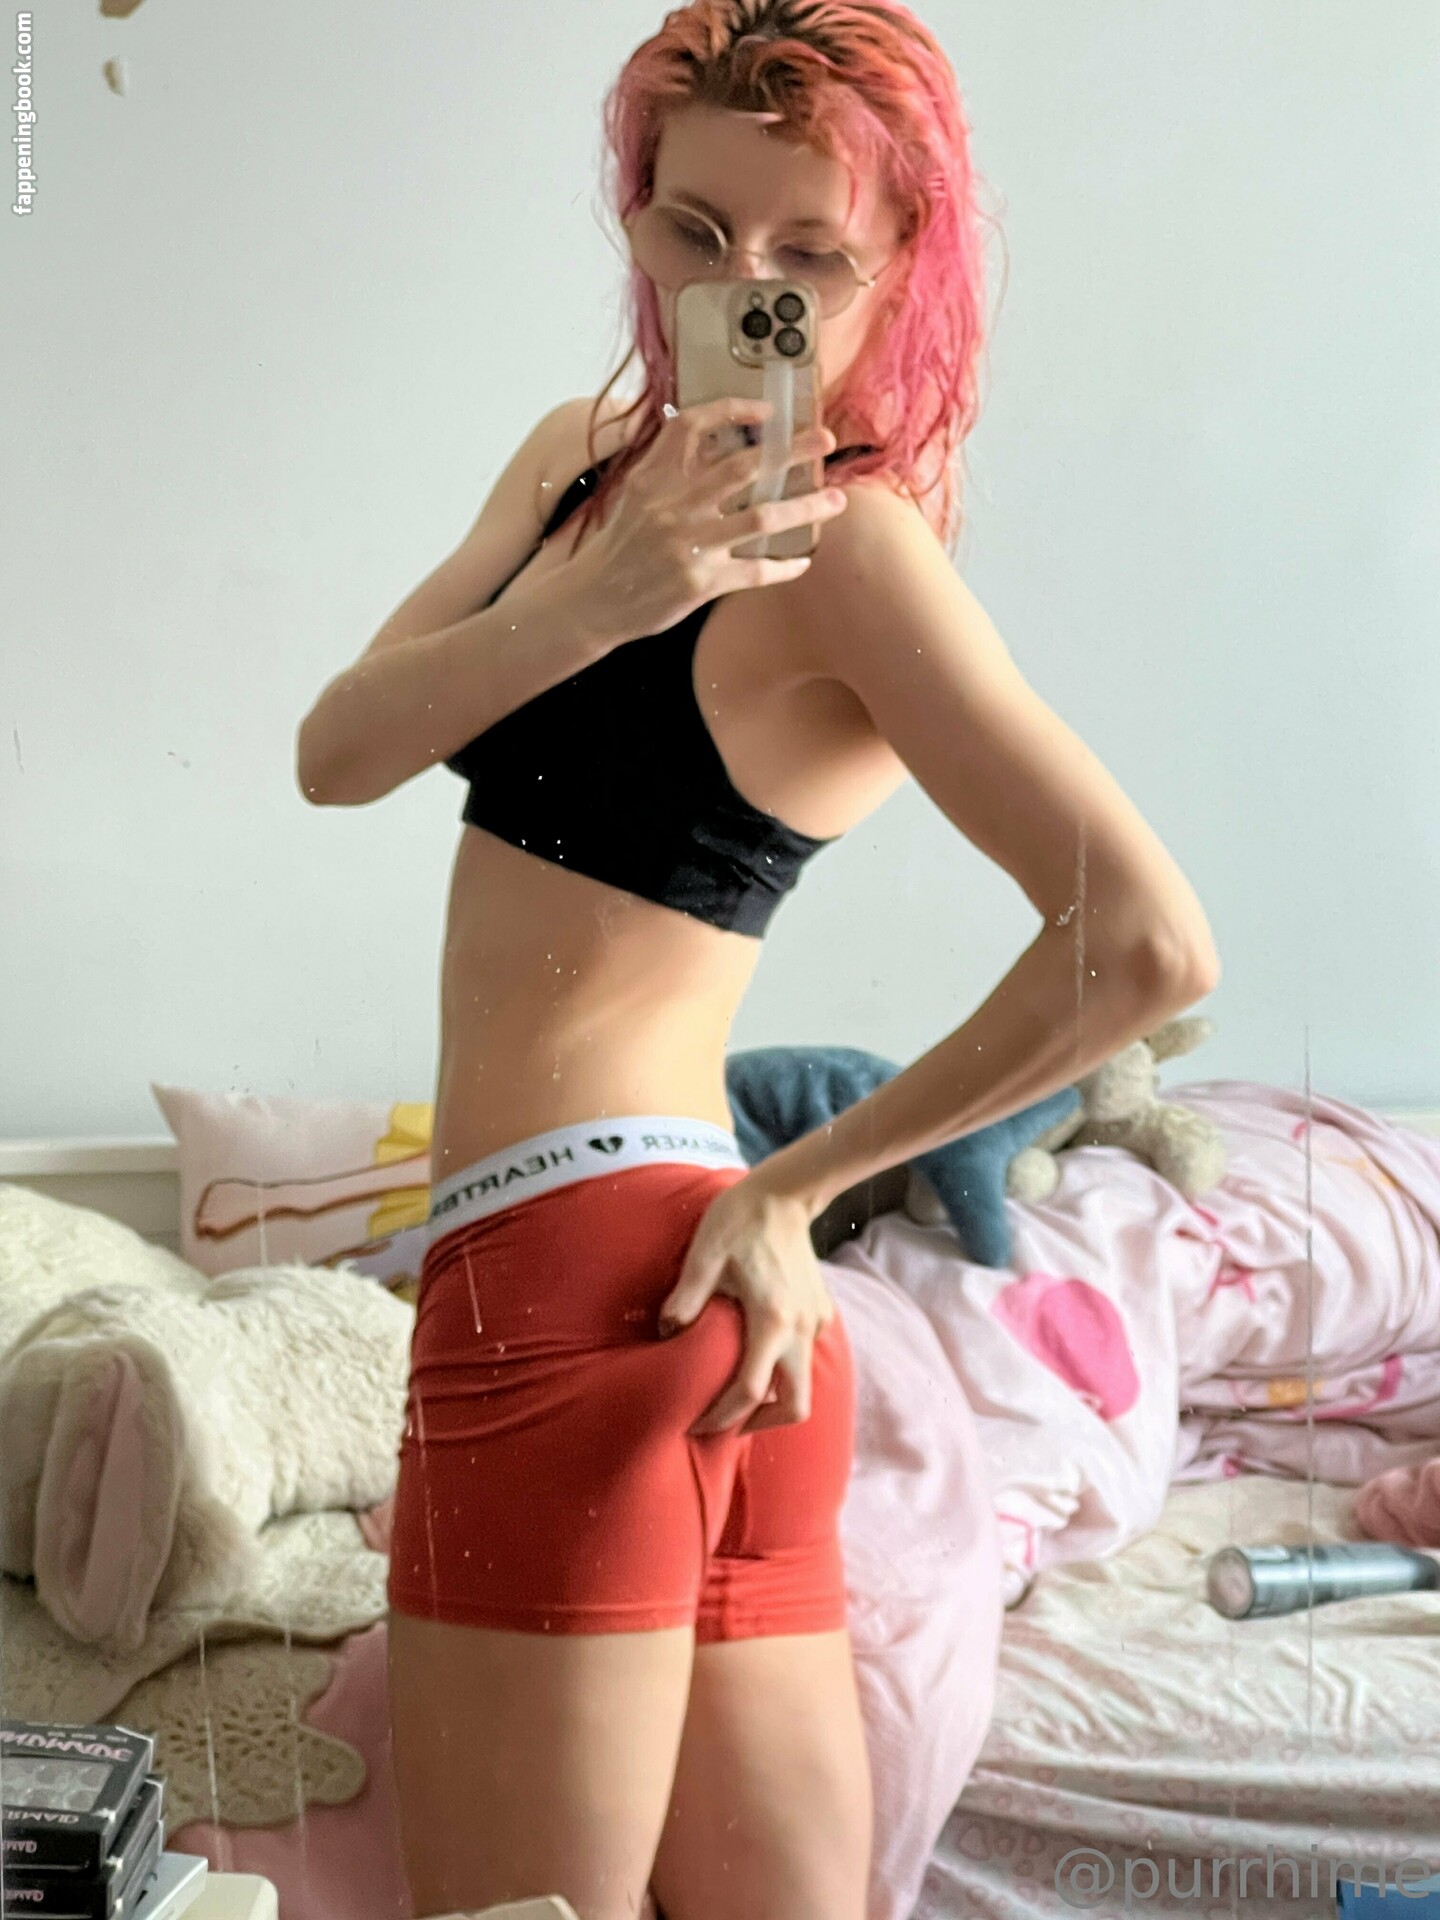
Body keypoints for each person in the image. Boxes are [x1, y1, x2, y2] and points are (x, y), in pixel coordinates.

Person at [295, 4, 1220, 1917]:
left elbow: (1142, 944)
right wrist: (607, 592)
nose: (745, 292)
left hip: (570, 1288)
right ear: (636, 217)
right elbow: (340, 752)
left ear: (900, 264)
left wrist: (801, 1186)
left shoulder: (855, 553)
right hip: (708, 1312)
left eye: (811, 252)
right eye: (697, 232)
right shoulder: (576, 470)